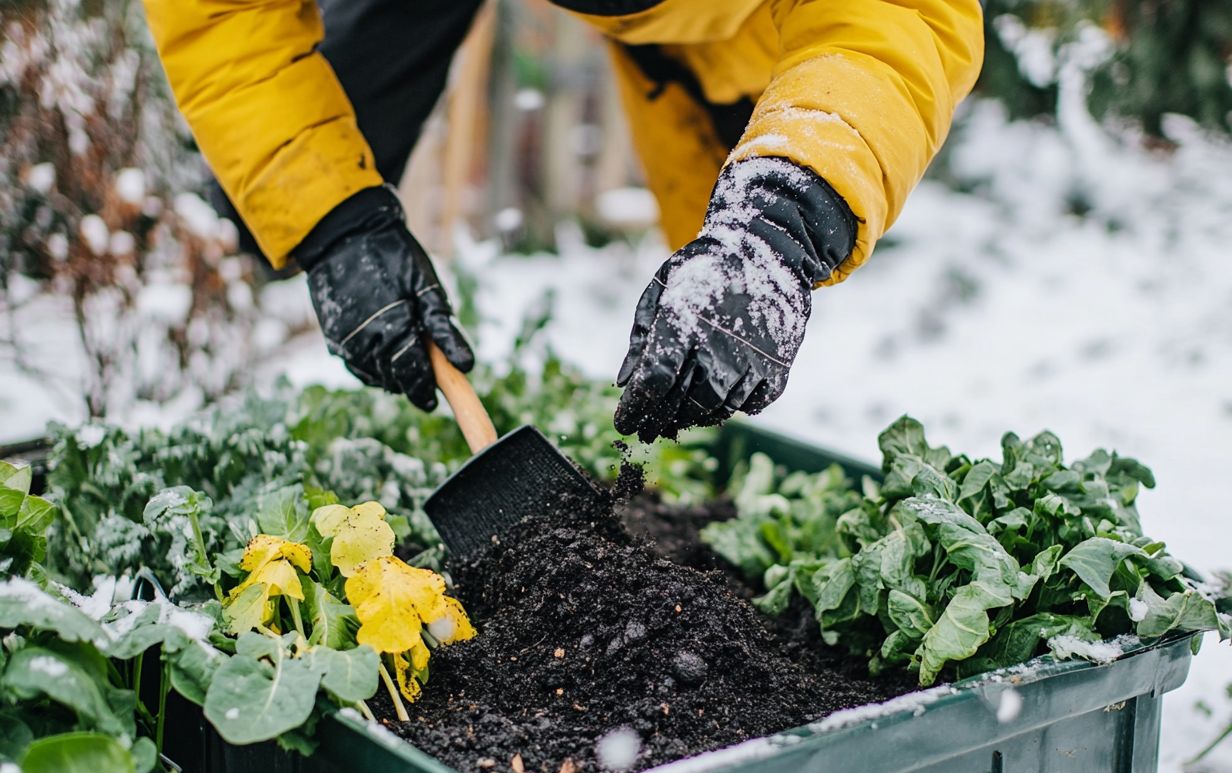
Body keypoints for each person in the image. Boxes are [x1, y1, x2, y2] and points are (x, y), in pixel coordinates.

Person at [142, 0, 983, 441]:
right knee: (266, 198)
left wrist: (782, 220)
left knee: (763, 222)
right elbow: (222, 14)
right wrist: (333, 222)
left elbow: (900, 16)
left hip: (727, 25)